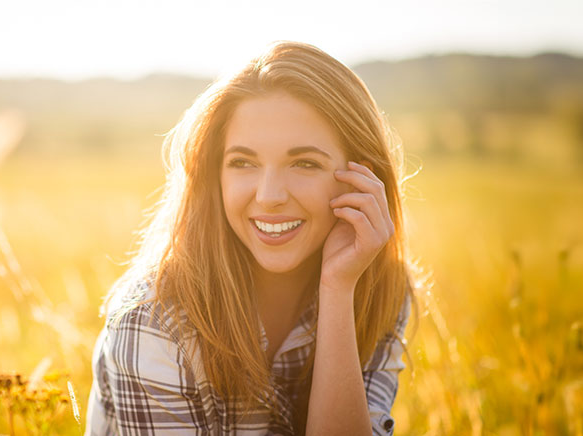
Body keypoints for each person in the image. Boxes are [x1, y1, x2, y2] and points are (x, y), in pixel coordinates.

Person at [86, 41, 417, 435]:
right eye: (243, 162)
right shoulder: (152, 321)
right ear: (215, 174)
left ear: (362, 178)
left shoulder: (379, 291)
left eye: (305, 163)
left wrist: (338, 289)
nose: (269, 196)